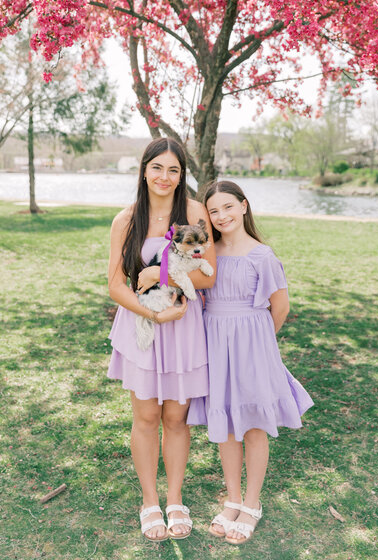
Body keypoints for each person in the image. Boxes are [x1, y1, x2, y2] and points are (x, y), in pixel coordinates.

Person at [187, 180, 313, 545]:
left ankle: (252, 504)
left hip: (254, 347)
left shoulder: (262, 255)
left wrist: (259, 345)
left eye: (228, 206)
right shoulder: (207, 255)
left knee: (254, 425)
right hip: (216, 345)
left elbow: (281, 307)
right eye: (213, 210)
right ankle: (233, 499)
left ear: (244, 206)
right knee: (226, 423)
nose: (222, 215)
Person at [107, 138, 216, 542]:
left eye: (173, 170)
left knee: (176, 418)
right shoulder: (126, 220)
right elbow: (116, 285)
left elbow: (209, 275)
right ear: (144, 170)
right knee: (147, 418)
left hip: (185, 327)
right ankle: (149, 501)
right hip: (144, 324)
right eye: (157, 168)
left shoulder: (194, 213)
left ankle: (175, 499)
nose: (165, 177)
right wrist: (152, 311)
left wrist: (160, 276)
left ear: (181, 174)